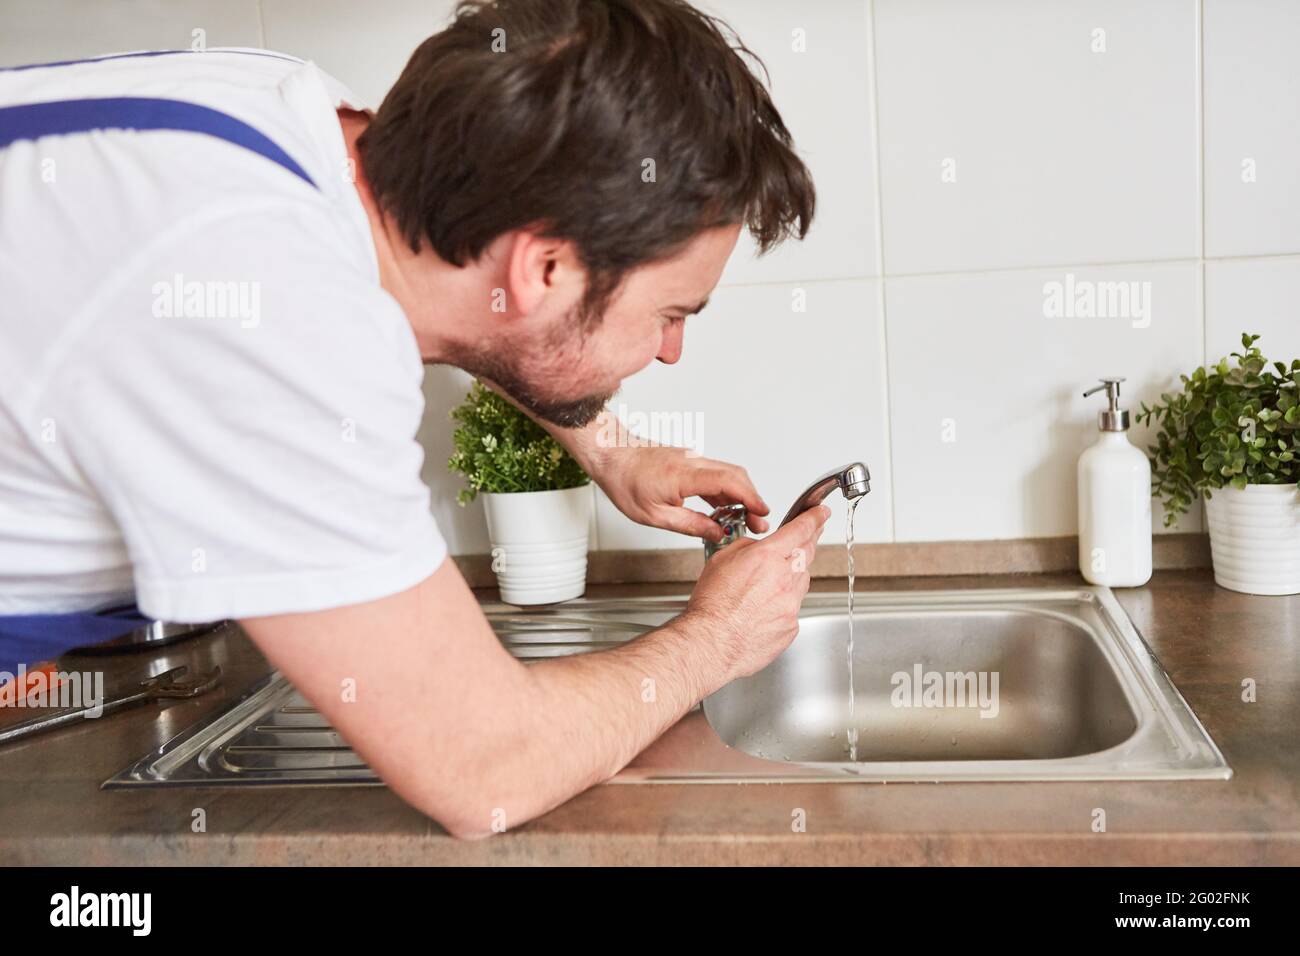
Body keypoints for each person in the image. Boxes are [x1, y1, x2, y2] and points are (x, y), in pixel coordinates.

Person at [0, 0, 829, 837]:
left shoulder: (300, 123)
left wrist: (610, 446)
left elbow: (457, 294)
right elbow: (485, 765)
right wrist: (717, 637)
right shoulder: (273, 315)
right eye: (672, 311)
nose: (671, 350)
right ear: (545, 266)